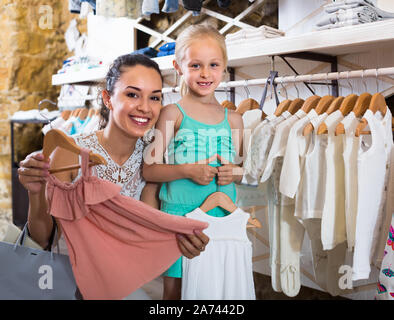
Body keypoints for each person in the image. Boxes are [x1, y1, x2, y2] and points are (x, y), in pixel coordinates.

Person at [17, 53, 209, 299]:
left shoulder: (154, 160)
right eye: (132, 94)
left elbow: (147, 233)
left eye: (155, 98)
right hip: (69, 285)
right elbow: (42, 239)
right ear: (108, 98)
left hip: (126, 286)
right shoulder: (69, 152)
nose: (145, 107)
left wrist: (180, 243)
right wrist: (36, 194)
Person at [142, 24, 244, 300]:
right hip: (179, 217)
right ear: (178, 66)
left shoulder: (233, 120)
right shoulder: (171, 114)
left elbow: (242, 171)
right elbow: (149, 168)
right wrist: (187, 169)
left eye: (213, 65)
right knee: (175, 290)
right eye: (196, 65)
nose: (205, 73)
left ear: (224, 68)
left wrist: (233, 173)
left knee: (216, 288)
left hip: (222, 216)